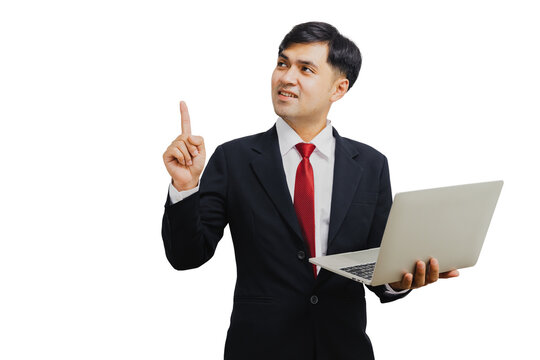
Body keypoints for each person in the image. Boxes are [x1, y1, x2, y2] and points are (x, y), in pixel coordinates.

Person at [161, 21, 459, 360]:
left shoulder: (371, 165)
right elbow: (186, 256)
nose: (286, 77)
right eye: (282, 63)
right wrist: (185, 187)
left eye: (306, 69)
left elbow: (378, 266)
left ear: (338, 88)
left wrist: (401, 280)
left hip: (343, 350)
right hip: (259, 350)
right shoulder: (234, 159)